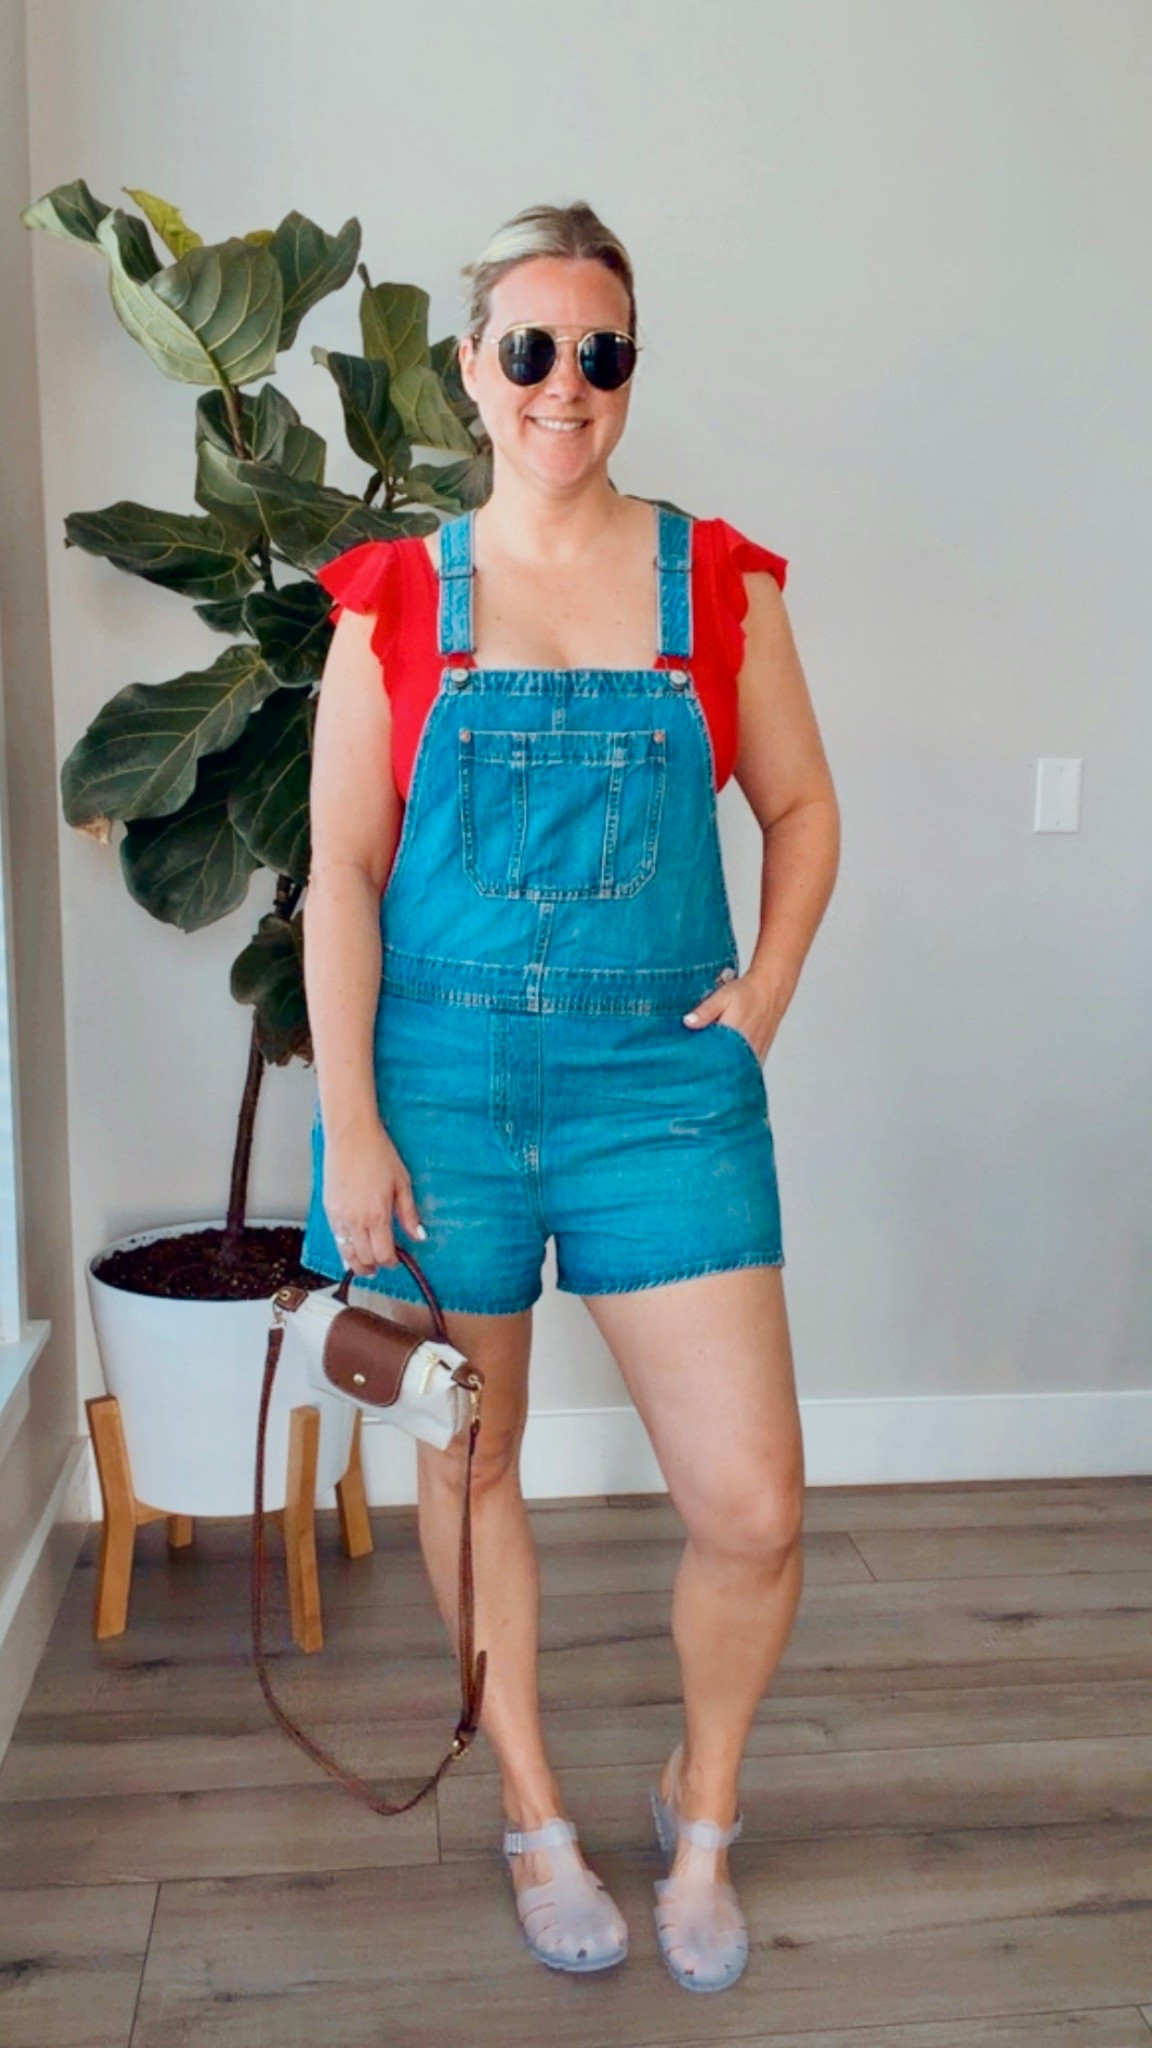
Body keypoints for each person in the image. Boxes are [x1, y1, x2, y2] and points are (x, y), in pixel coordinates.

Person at [301, 199, 840, 1993]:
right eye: (528, 347)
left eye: (599, 351)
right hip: (440, 1087)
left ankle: (704, 1813)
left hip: (654, 1095)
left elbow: (802, 813)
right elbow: (344, 880)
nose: (564, 382)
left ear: (630, 372)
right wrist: (354, 1132)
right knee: (474, 1468)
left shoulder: (719, 585)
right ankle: (533, 1806)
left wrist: (754, 1003)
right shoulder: (391, 600)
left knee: (753, 1500)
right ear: (472, 369)